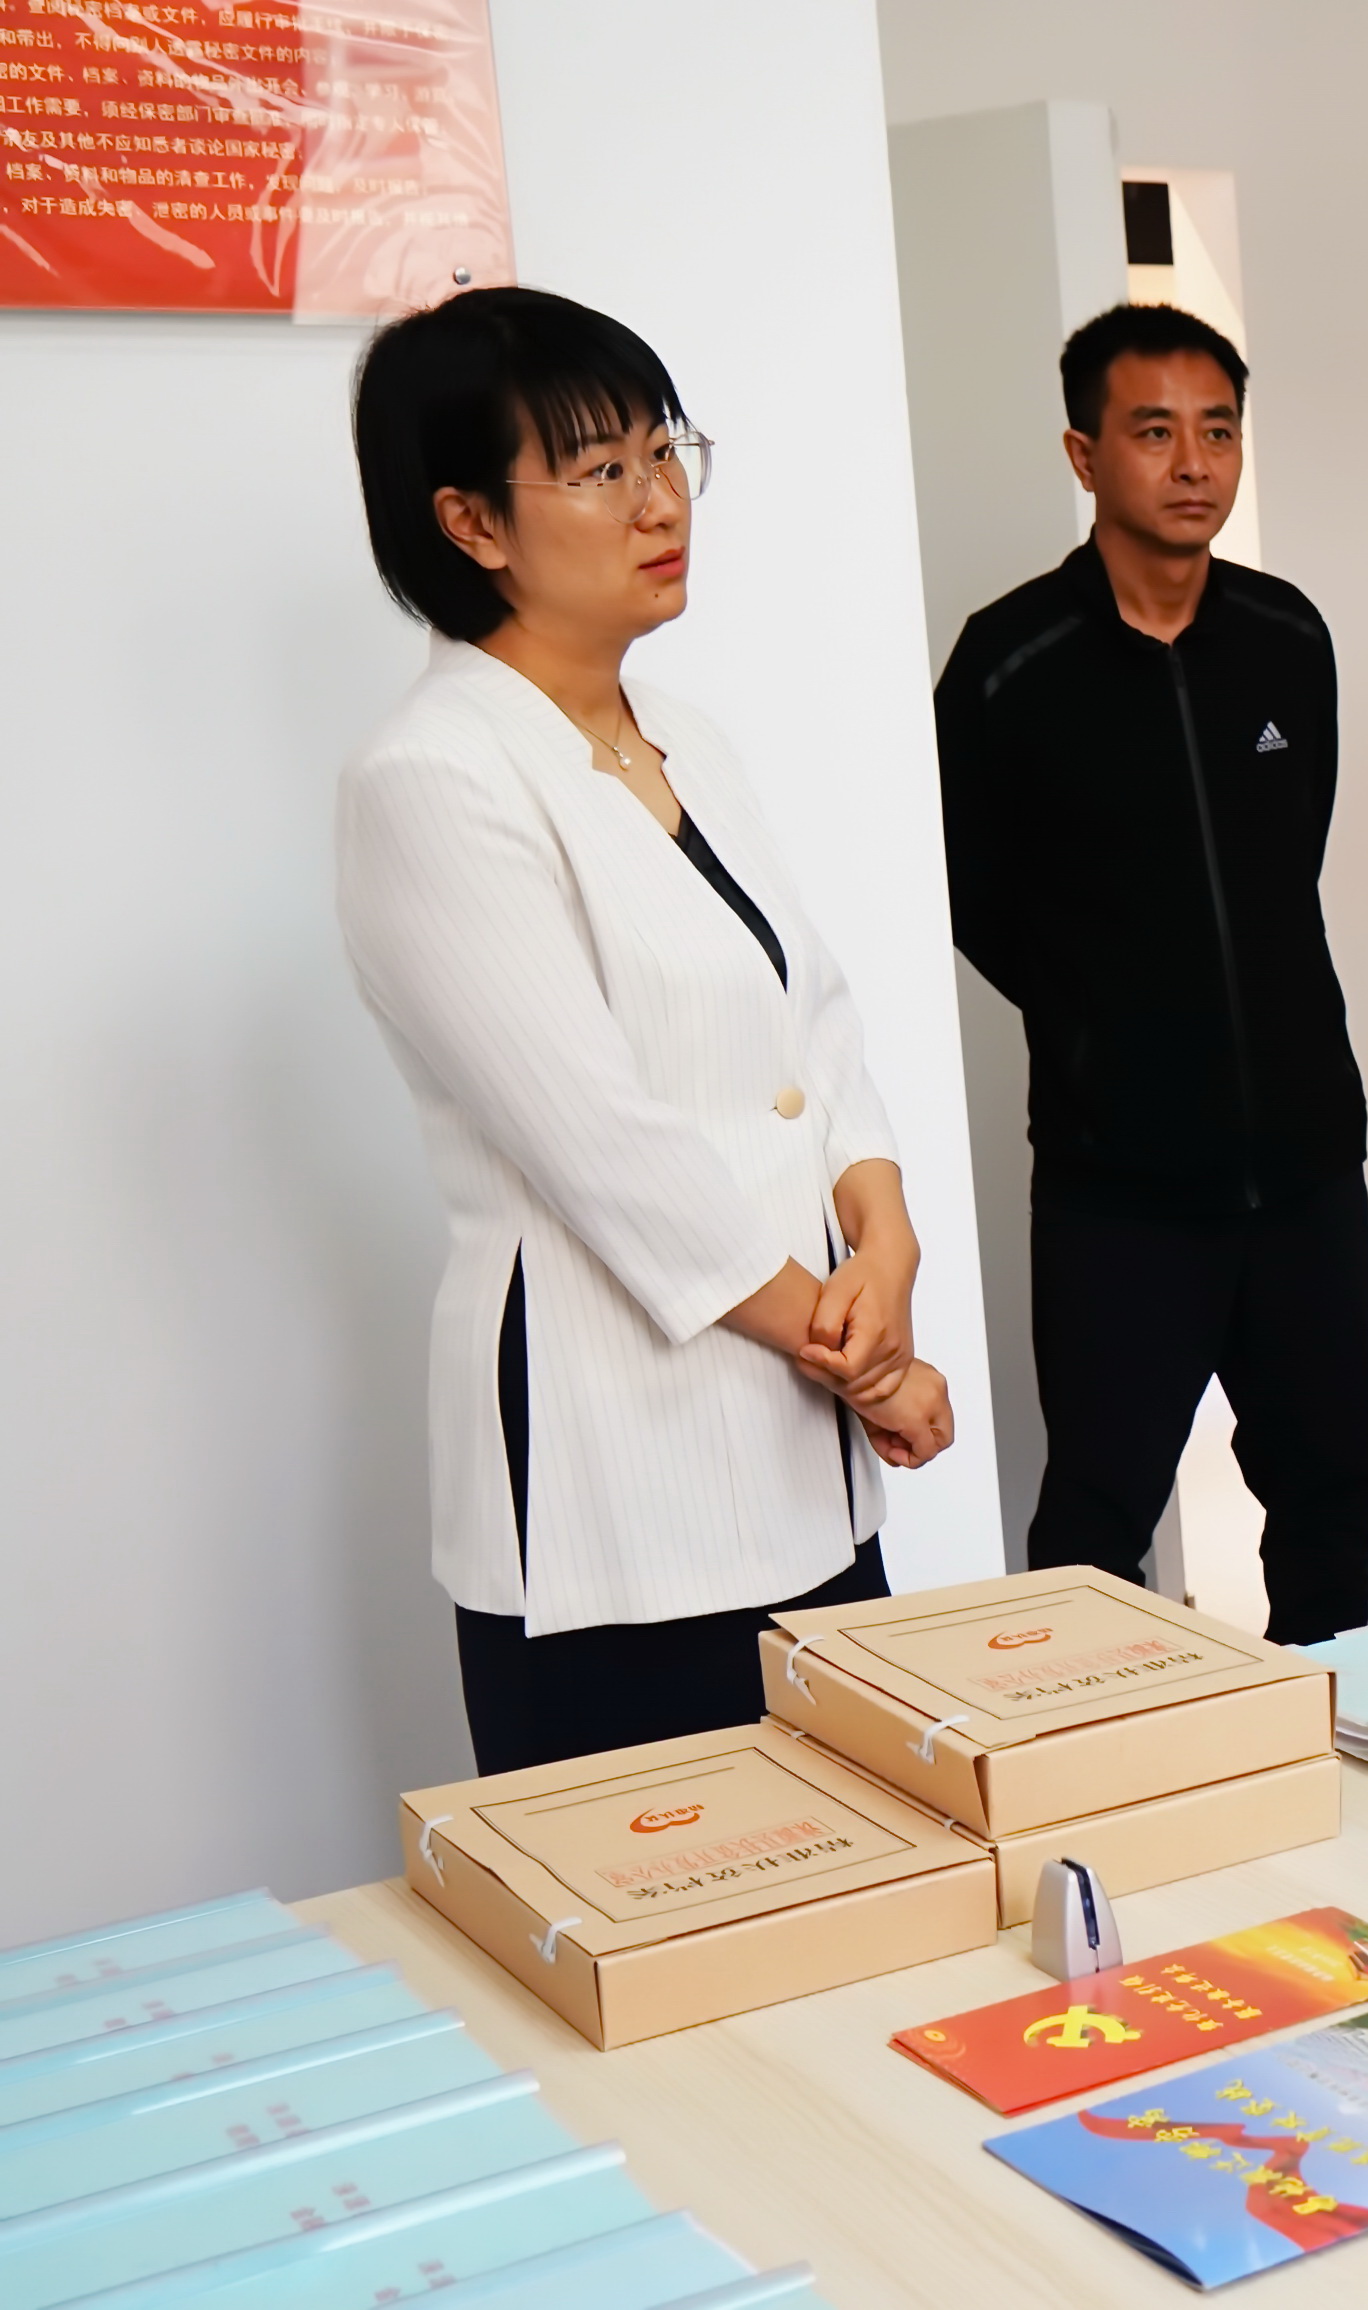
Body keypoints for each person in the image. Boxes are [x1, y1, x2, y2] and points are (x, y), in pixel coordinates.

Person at [337, 287, 955, 1776]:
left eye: (665, 453)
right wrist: (865, 1359)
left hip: (800, 1441)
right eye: (600, 469)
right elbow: (599, 1145)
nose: (660, 501)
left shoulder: (688, 736)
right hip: (612, 1487)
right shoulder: (434, 779)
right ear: (470, 523)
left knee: (865, 1858)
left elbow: (814, 1026)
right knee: (662, 1888)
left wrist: (886, 1237)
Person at [935, 304, 1368, 1645]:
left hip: (1305, 1170)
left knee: (1330, 1514)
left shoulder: (1287, 635)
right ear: (1085, 454)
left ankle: (1339, 1752)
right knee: (1093, 1529)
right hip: (1118, 1188)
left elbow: (1291, 857)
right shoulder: (1010, 663)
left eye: (1218, 431)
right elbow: (967, 893)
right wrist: (1103, 1023)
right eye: (1153, 432)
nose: (1193, 463)